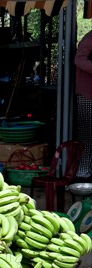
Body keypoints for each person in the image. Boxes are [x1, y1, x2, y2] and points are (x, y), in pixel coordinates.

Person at [74, 30, 92, 179]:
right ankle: (83, 173)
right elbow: (79, 60)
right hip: (87, 94)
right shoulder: (90, 38)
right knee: (87, 135)